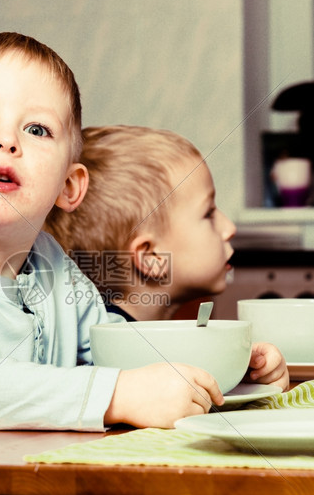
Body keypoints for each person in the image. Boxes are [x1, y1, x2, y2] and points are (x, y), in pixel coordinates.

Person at [0, 33, 226, 452]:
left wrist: (222, 361)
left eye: (37, 129)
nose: (7, 141)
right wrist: (115, 395)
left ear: (69, 186)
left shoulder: (52, 266)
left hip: (13, 492)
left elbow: (114, 344)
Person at [45, 125, 289, 388]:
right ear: (150, 256)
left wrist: (248, 369)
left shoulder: (152, 349)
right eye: (208, 213)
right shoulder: (104, 359)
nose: (229, 228)